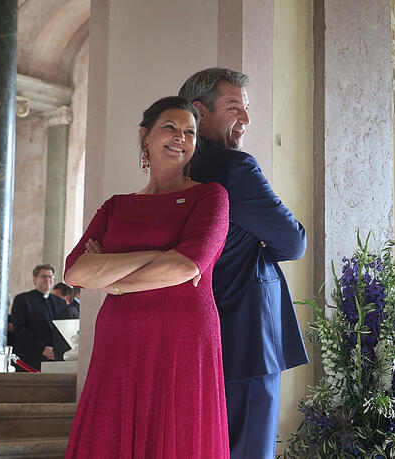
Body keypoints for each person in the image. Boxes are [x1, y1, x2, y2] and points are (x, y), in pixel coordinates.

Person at [63, 96, 230, 457]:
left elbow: (186, 267)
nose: (181, 137)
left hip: (183, 337)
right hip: (120, 337)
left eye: (190, 131)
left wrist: (113, 281)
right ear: (145, 136)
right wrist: (154, 255)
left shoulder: (211, 197)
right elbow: (76, 271)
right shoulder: (116, 206)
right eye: (170, 127)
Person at [179, 68, 308, 458]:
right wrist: (262, 243)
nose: (246, 118)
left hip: (191, 335)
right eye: (234, 106)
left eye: (246, 107)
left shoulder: (175, 170)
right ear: (200, 112)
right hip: (249, 336)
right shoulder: (235, 168)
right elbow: (293, 241)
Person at [10, 264, 69, 371]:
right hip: (31, 356)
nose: (48, 279)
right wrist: (42, 349)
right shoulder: (23, 300)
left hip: (55, 357)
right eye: (44, 276)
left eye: (50, 277)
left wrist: (59, 350)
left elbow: (64, 328)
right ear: (35, 279)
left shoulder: (60, 302)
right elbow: (20, 329)